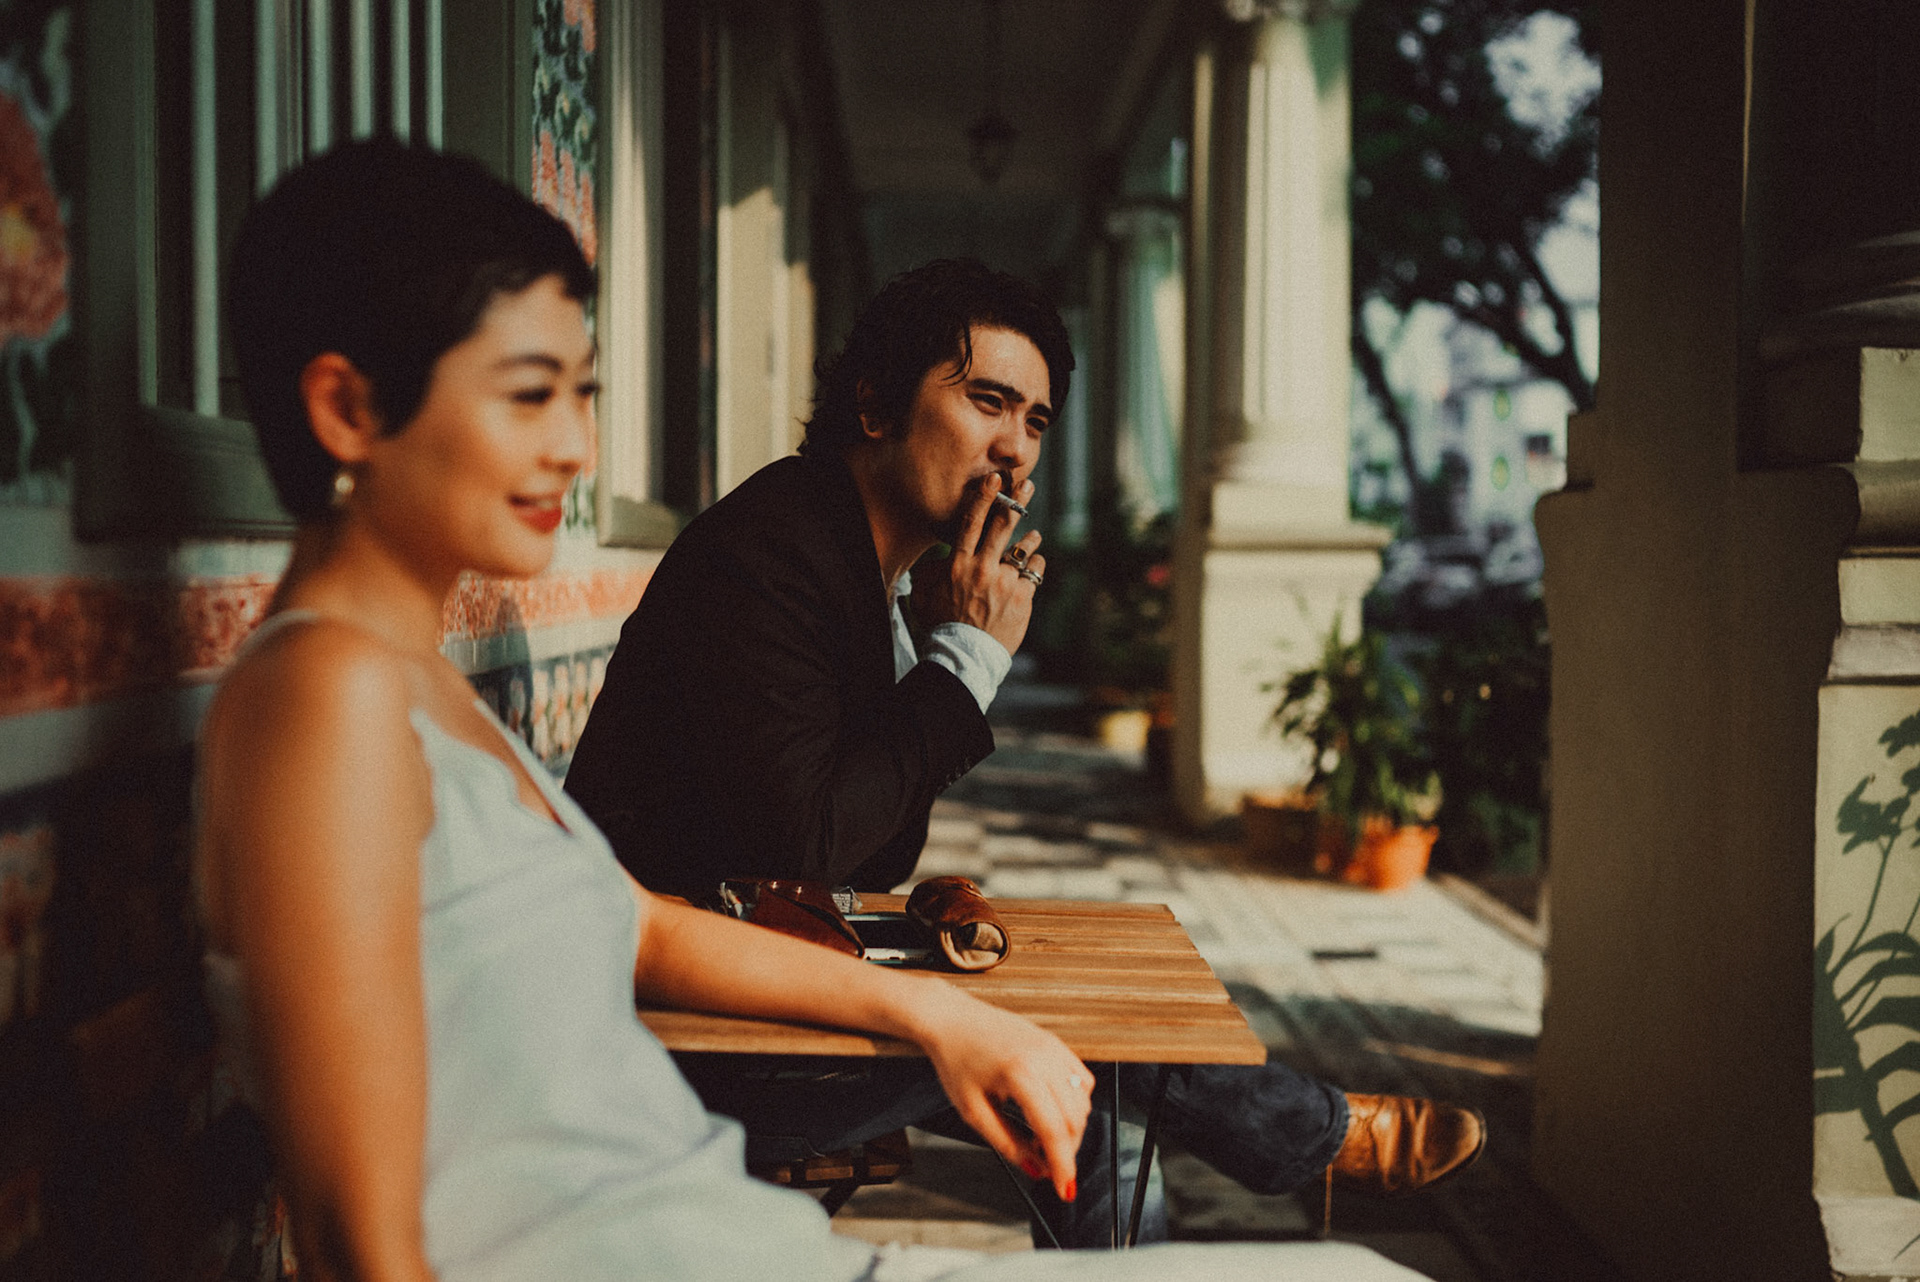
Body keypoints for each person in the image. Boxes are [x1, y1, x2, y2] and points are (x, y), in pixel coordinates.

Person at [196, 138, 1431, 1282]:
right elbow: (363, 1238)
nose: (577, 446)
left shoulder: (416, 691)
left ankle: (1270, 1148)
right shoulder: (327, 697)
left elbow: (647, 925)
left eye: (585, 394)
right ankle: (1304, 1139)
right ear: (350, 411)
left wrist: (945, 1015)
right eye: (530, 394)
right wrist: (959, 672)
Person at [562, 257, 1487, 1248]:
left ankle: (1294, 1137)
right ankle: (1310, 1131)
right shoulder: (773, 552)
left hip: (778, 981)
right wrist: (965, 662)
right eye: (988, 401)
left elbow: (873, 853)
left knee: (1084, 1088)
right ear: (872, 405)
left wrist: (931, 640)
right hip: (689, 1026)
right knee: (1079, 1066)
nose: (1015, 453)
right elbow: (809, 846)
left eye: (1036, 421)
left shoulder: (862, 565)